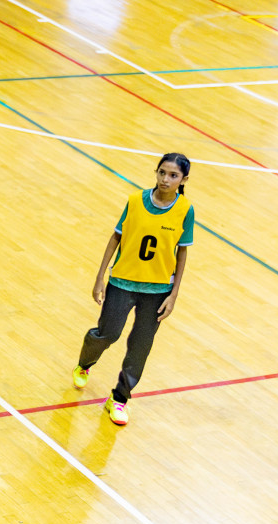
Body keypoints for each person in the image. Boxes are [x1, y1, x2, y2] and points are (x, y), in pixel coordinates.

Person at [73, 153, 195, 426]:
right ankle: (84, 364)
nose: (165, 179)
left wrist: (173, 294)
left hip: (158, 290)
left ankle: (119, 398)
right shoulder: (135, 200)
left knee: (141, 346)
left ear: (184, 180)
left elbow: (182, 253)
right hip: (122, 282)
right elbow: (116, 236)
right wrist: (100, 277)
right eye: (162, 172)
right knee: (108, 333)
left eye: (173, 175)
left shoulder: (186, 210)